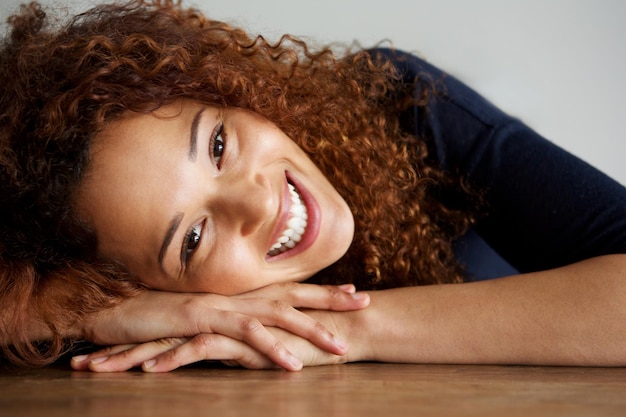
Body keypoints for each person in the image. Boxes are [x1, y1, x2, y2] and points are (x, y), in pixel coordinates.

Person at [1, 0, 625, 372]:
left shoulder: (401, 101)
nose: (260, 201)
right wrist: (111, 310)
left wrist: (347, 329)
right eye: (191, 238)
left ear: (228, 92)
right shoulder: (171, 320)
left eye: (218, 145)